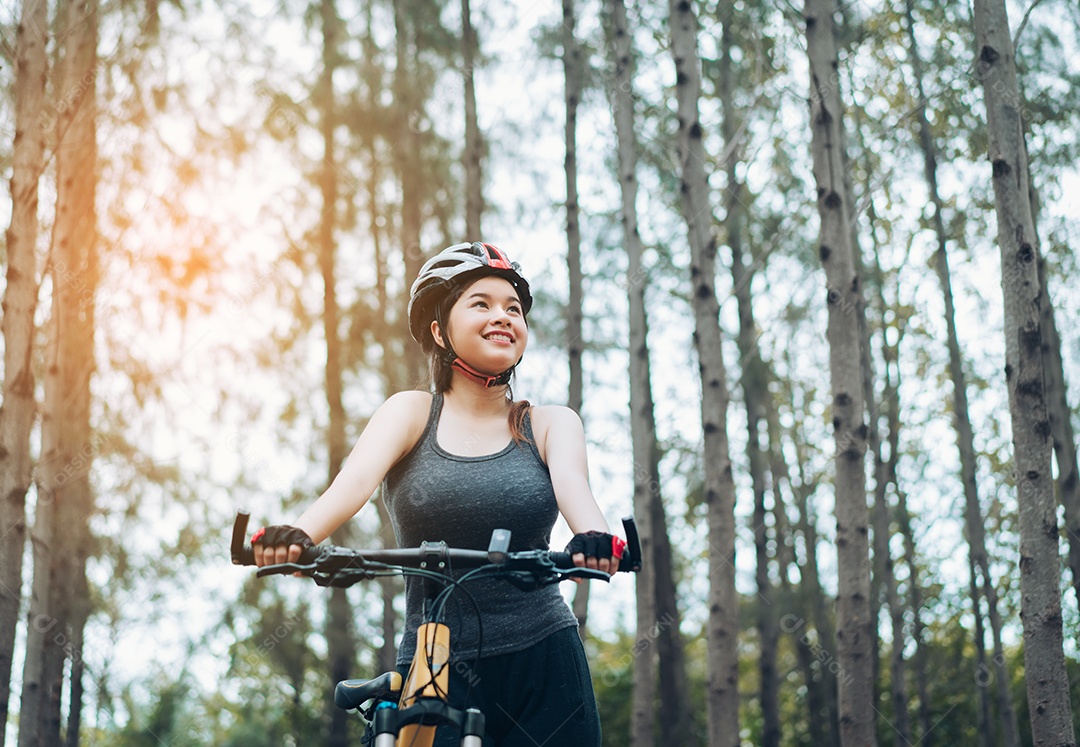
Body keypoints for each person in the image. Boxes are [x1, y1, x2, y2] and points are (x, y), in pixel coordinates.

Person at [251, 241, 626, 747]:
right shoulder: (409, 414)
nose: (503, 317)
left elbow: (577, 495)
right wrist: (298, 536)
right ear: (438, 330)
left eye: (513, 308)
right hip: (434, 662)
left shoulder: (549, 423)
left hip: (545, 660)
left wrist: (597, 541)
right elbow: (352, 485)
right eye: (482, 304)